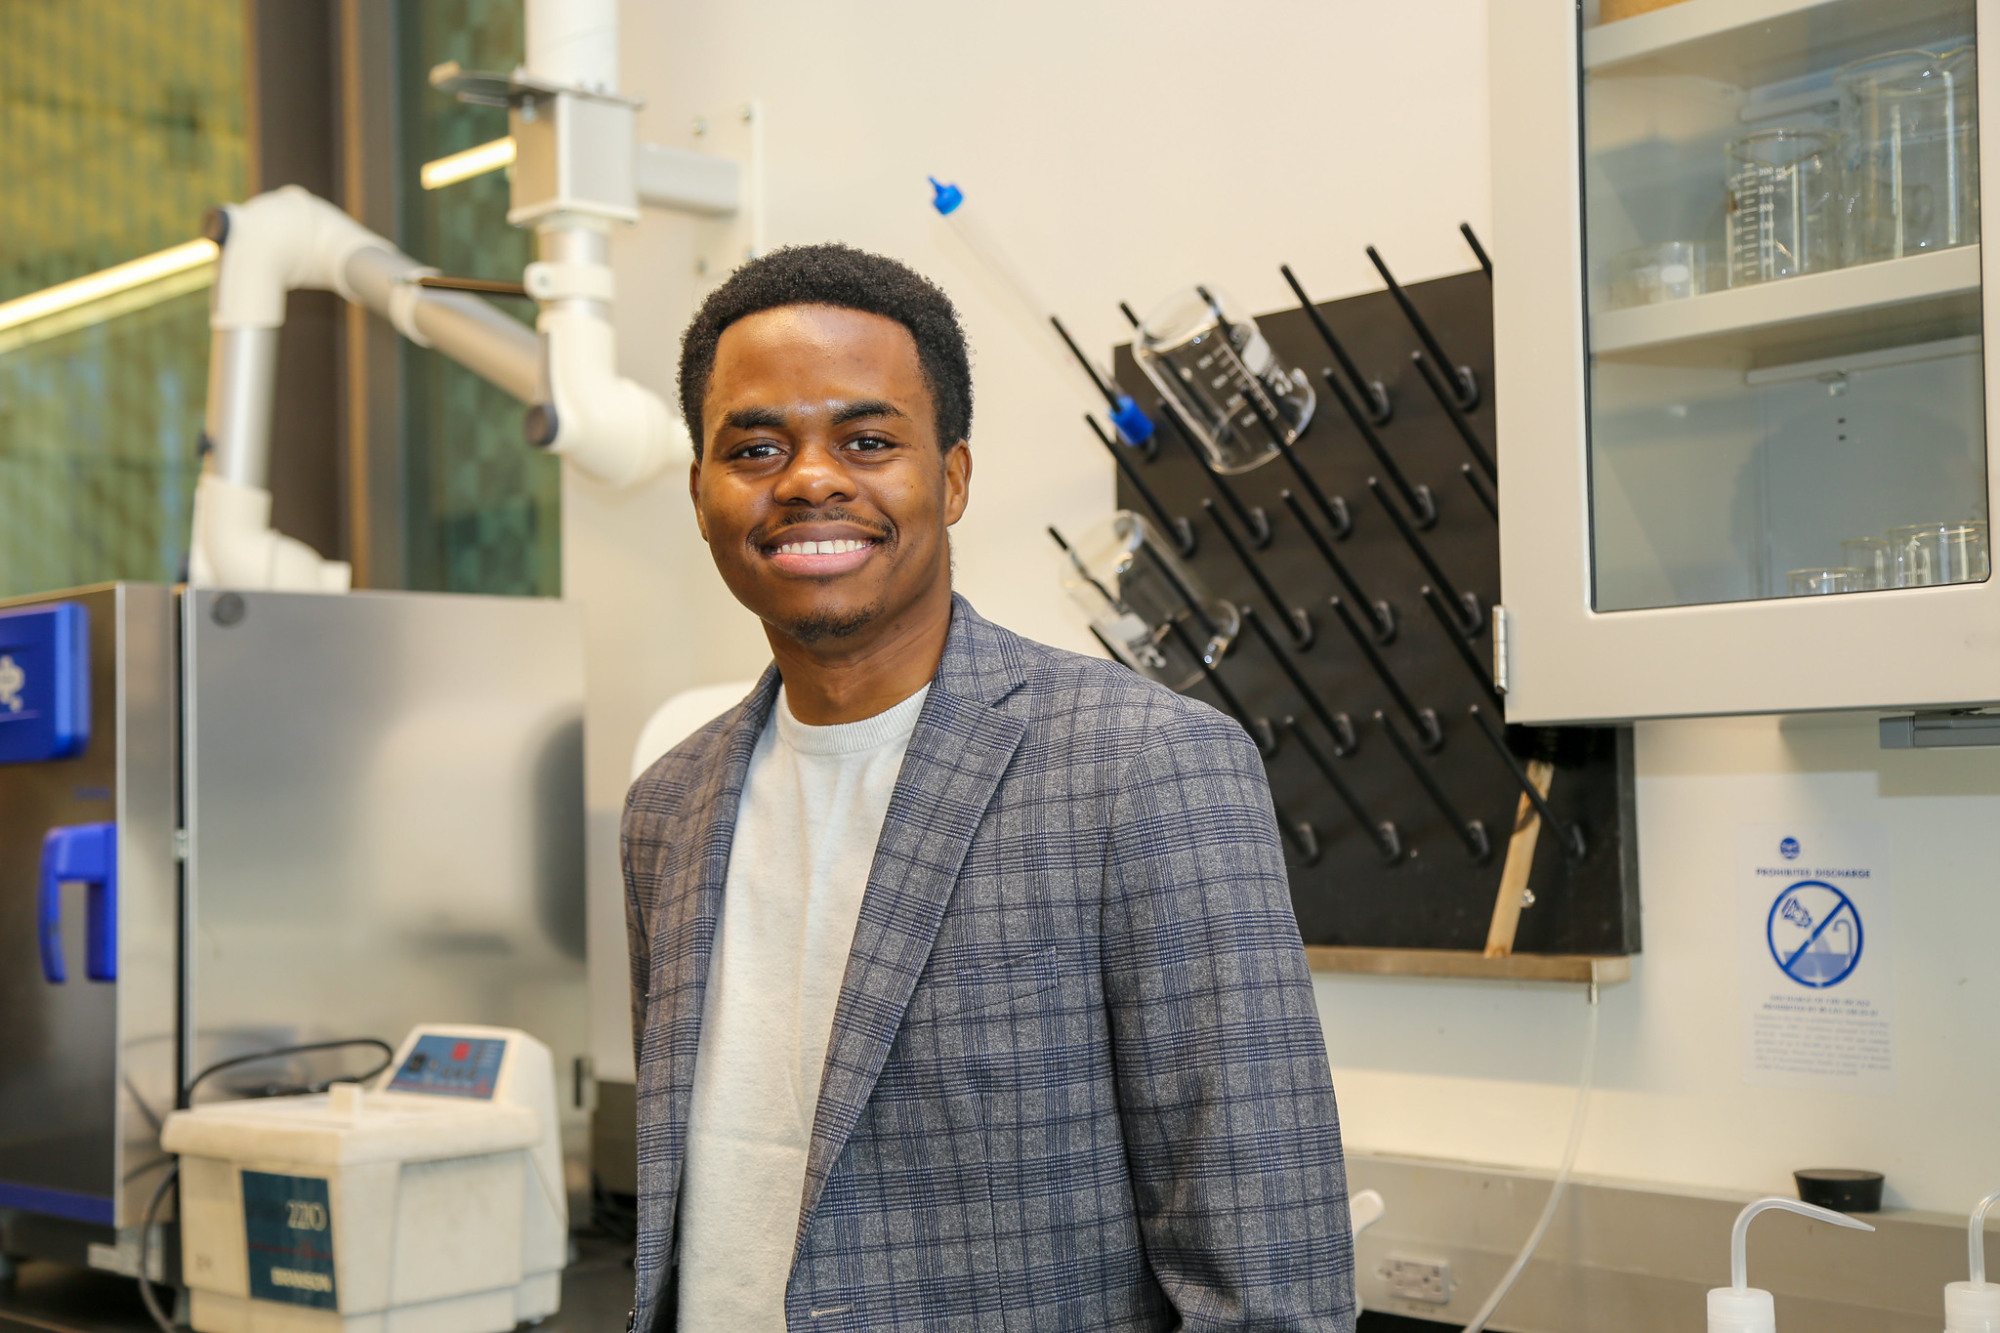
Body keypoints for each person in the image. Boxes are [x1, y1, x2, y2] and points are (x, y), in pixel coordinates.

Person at [622, 242, 1354, 1332]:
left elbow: (1270, 1278)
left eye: (868, 441)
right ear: (700, 492)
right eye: (757, 447)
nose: (810, 479)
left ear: (952, 477)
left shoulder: (1146, 767)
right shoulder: (665, 810)